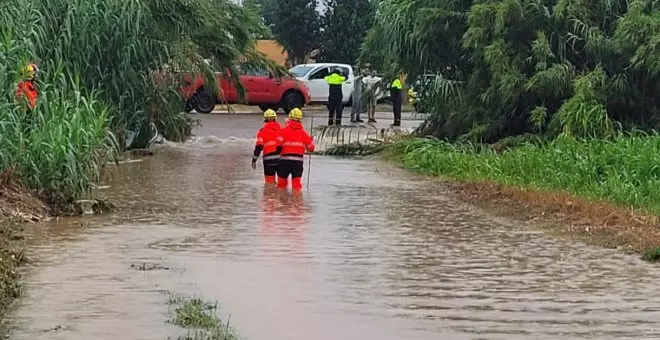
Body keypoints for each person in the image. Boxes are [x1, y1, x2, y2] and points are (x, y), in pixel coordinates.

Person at [277, 108, 315, 191]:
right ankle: (297, 203)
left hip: (284, 162)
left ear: (289, 118)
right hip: (298, 162)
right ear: (300, 120)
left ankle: (281, 202)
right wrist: (311, 140)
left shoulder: (283, 131)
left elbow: (278, 146)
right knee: (296, 187)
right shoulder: (304, 133)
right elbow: (311, 149)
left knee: (281, 186)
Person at [252, 109, 283, 184]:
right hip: (281, 159)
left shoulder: (262, 131)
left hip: (268, 160)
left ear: (265, 120)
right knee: (281, 183)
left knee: (269, 184)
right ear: (275, 119)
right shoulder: (282, 130)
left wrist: (254, 159)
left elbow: (259, 147)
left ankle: (270, 195)